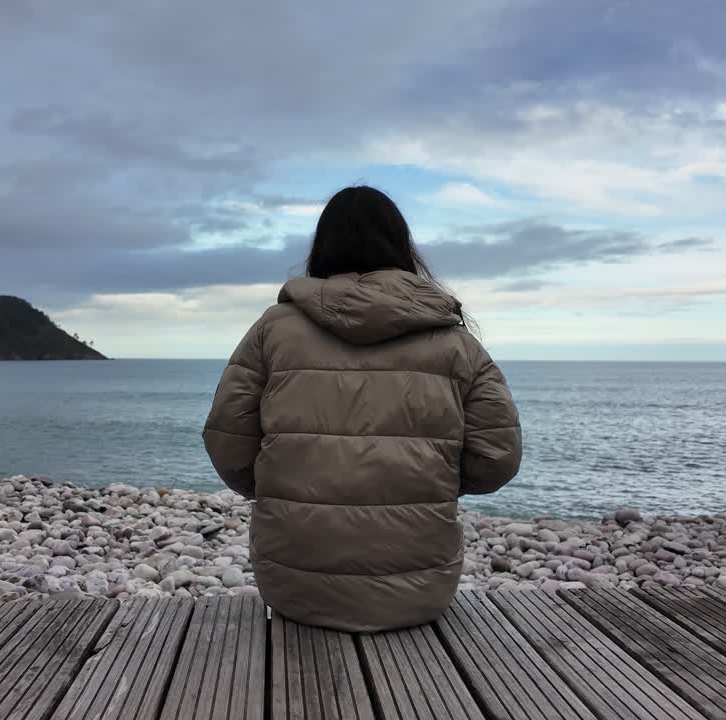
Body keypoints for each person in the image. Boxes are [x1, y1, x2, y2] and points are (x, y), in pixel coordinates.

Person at [202, 185, 522, 632]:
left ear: (323, 248)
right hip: (421, 589)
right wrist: (427, 479)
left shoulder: (274, 330)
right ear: (402, 247)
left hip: (295, 587)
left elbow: (227, 442)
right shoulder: (455, 342)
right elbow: (496, 461)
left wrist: (284, 482)